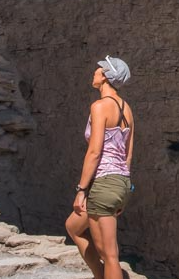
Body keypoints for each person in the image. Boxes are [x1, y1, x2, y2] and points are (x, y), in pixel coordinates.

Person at [65, 55, 134, 279]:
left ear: (105, 76)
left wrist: (81, 189)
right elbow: (128, 153)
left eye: (98, 70)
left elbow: (94, 152)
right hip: (120, 181)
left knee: (109, 253)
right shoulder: (127, 109)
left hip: (104, 182)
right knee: (73, 226)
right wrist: (122, 189)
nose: (94, 72)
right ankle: (100, 275)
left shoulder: (100, 106)